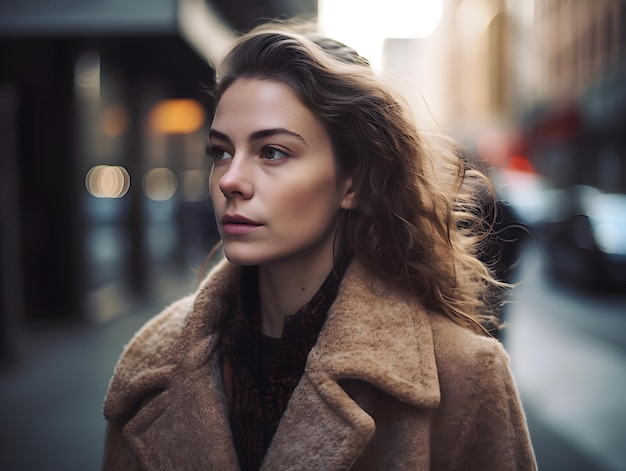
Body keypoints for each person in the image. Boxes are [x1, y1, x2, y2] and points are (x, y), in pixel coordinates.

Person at [102, 21, 536, 470]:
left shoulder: (465, 376)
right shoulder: (150, 362)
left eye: (272, 151)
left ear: (352, 181)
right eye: (221, 152)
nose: (230, 180)